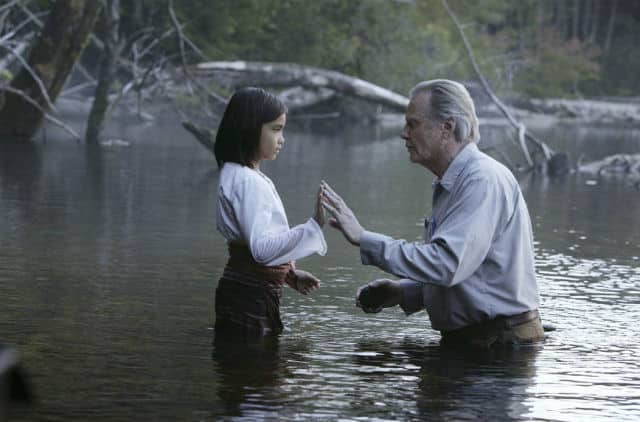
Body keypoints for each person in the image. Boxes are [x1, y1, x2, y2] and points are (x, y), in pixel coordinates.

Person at [321, 79, 544, 349]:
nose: (404, 134)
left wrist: (364, 239)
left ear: (447, 128)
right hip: (487, 343)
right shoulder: (456, 181)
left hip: (498, 349)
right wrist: (404, 292)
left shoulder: (481, 180)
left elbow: (447, 264)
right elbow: (472, 273)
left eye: (412, 124)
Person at [214, 87, 326, 337]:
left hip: (242, 290)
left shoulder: (235, 173)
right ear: (250, 129)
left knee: (244, 368)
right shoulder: (247, 181)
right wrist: (314, 226)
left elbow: (251, 247)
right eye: (275, 129)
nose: (282, 139)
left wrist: (289, 274)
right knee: (254, 371)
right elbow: (261, 250)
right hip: (250, 296)